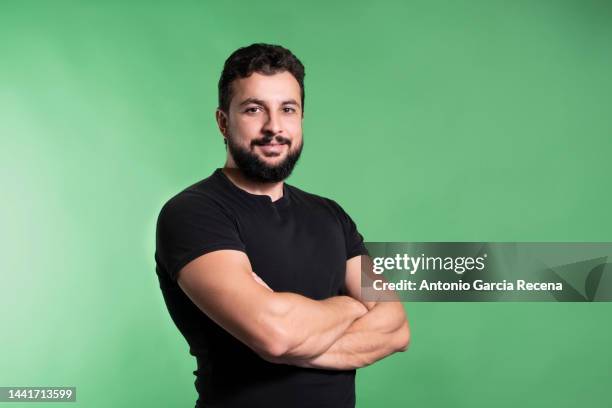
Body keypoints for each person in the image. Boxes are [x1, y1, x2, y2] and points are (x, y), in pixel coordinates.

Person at [154, 43, 410, 408]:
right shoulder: (193, 213)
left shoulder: (331, 216)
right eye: (254, 109)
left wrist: (296, 334)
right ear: (223, 121)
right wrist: (351, 307)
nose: (274, 127)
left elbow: (396, 325)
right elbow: (276, 334)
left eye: (287, 109)